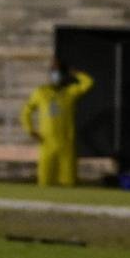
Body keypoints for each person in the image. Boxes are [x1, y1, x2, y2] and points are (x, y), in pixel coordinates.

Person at [20, 58, 94, 187]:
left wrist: (76, 73)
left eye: (59, 71)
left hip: (66, 142)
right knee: (45, 181)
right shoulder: (41, 92)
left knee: (68, 182)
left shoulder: (70, 92)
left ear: (64, 74)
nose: (56, 75)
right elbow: (26, 112)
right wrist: (30, 130)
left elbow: (88, 82)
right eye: (53, 71)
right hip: (46, 142)